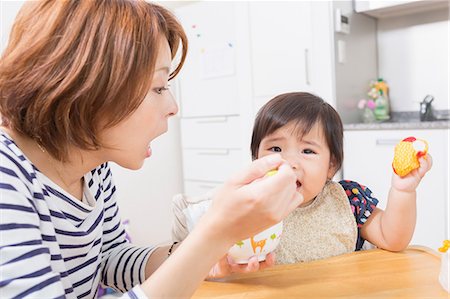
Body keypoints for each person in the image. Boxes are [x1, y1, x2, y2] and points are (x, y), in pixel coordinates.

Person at [0, 1, 303, 298]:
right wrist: (214, 235)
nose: (173, 107)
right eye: (159, 87)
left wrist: (204, 254)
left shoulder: (93, 168)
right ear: (87, 86)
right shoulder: (6, 177)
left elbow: (110, 259)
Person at [172, 92, 433, 265]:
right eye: (275, 149)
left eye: (307, 151)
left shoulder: (349, 200)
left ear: (331, 165)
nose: (290, 162)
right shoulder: (246, 203)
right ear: (256, 158)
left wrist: (403, 191)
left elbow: (393, 238)